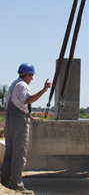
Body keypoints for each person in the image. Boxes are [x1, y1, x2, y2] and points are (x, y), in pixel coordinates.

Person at [0, 63, 51, 194]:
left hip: (10, 119)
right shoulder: (22, 85)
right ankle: (16, 185)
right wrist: (44, 90)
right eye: (31, 75)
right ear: (27, 74)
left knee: (9, 153)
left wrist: (31, 117)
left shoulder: (13, 84)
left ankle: (4, 182)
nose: (32, 78)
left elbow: (18, 104)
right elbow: (27, 100)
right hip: (19, 122)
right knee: (20, 154)